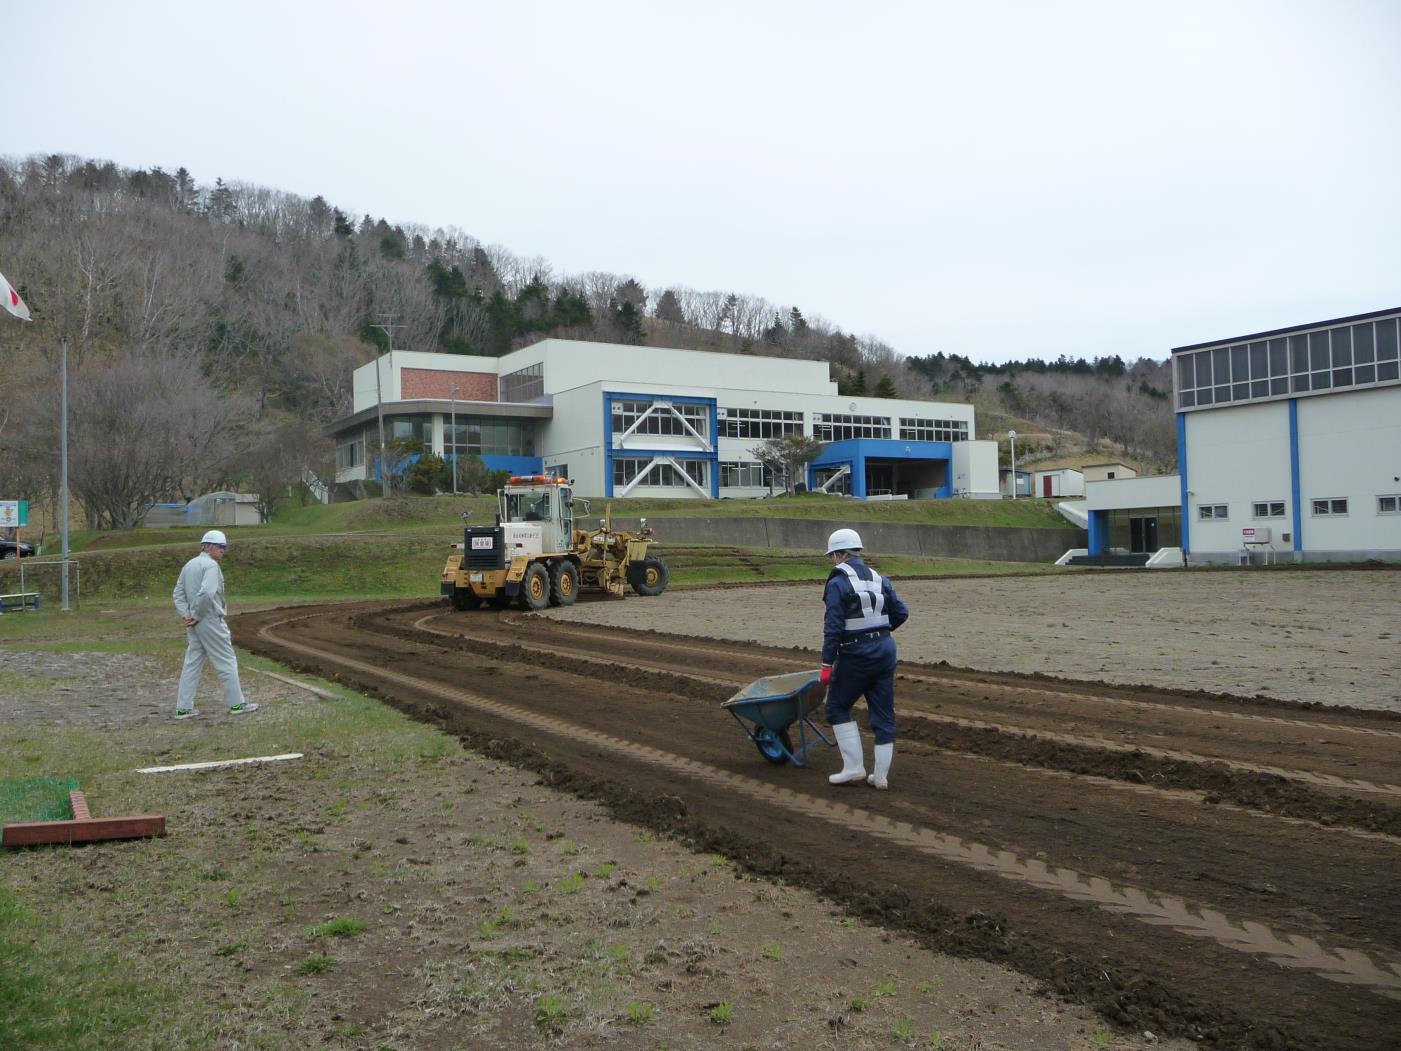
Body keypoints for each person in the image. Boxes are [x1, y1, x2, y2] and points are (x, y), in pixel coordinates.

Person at [819, 528, 908, 789]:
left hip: (856, 654)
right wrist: (879, 632)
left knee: (837, 707)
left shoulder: (837, 582)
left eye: (832, 555)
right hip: (885, 651)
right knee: (883, 714)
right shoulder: (880, 578)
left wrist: (826, 663)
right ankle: (880, 777)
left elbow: (833, 627)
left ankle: (854, 768)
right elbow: (901, 612)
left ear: (838, 554)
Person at [172, 530, 257, 719]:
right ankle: (237, 704)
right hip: (209, 619)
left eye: (224, 547)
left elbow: (177, 594)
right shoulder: (210, 566)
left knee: (192, 663)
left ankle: (183, 707)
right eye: (220, 547)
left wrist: (187, 614)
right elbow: (207, 593)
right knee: (226, 660)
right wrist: (195, 614)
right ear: (208, 546)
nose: (223, 551)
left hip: (194, 622)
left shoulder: (189, 565)